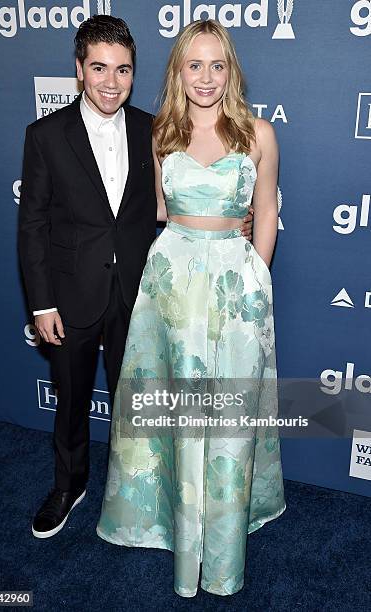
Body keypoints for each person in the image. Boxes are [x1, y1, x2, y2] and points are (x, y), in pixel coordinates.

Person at [18, 14, 255, 540]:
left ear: (133, 73)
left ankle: (148, 494)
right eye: (99, 68)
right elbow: (31, 225)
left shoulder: (156, 129)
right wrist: (42, 304)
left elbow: (170, 204)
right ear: (79, 69)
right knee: (73, 399)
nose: (110, 81)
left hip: (143, 293)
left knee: (144, 403)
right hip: (72, 293)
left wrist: (228, 215)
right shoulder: (45, 135)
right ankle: (69, 485)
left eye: (122, 70)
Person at [97, 19, 286, 597]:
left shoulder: (259, 133)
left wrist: (254, 273)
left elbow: (268, 213)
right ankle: (177, 533)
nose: (206, 77)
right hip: (172, 286)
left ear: (232, 70)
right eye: (194, 65)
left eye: (217, 64)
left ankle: (224, 555)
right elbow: (161, 208)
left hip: (235, 285)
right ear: (178, 72)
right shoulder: (163, 135)